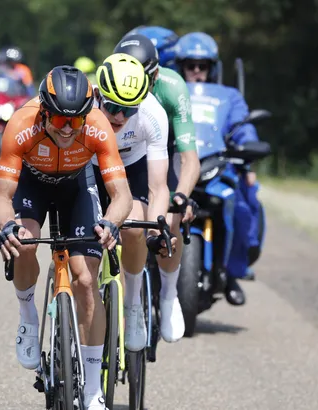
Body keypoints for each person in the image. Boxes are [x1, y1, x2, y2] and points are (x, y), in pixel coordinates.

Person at [0, 66, 132, 410]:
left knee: (86, 279)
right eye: (59, 120)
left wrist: (111, 222)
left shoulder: (97, 125)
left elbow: (121, 195)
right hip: (33, 186)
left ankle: (93, 389)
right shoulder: (21, 124)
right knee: (24, 243)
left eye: (76, 121)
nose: (68, 129)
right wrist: (8, 226)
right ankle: (28, 316)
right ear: (43, 111)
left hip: (76, 186)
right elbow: (0, 198)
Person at [112, 33, 200, 340]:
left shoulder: (172, 88)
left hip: (164, 148)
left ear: (155, 75)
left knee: (171, 216)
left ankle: (169, 293)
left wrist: (181, 197)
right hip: (123, 150)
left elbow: (189, 159)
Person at [88, 53, 179, 350]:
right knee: (84, 237)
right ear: (98, 95)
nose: (119, 117)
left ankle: (133, 304)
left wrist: (154, 231)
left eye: (128, 110)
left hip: (132, 167)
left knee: (132, 227)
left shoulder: (153, 114)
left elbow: (158, 187)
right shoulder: (84, 108)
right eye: (113, 107)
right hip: (90, 166)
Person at [173, 31, 263, 304]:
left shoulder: (229, 96)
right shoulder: (169, 90)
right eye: (190, 65)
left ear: (212, 68)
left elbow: (243, 128)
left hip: (216, 167)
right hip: (177, 167)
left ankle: (231, 273)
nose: (196, 71)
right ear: (180, 67)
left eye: (202, 66)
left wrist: (248, 150)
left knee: (242, 208)